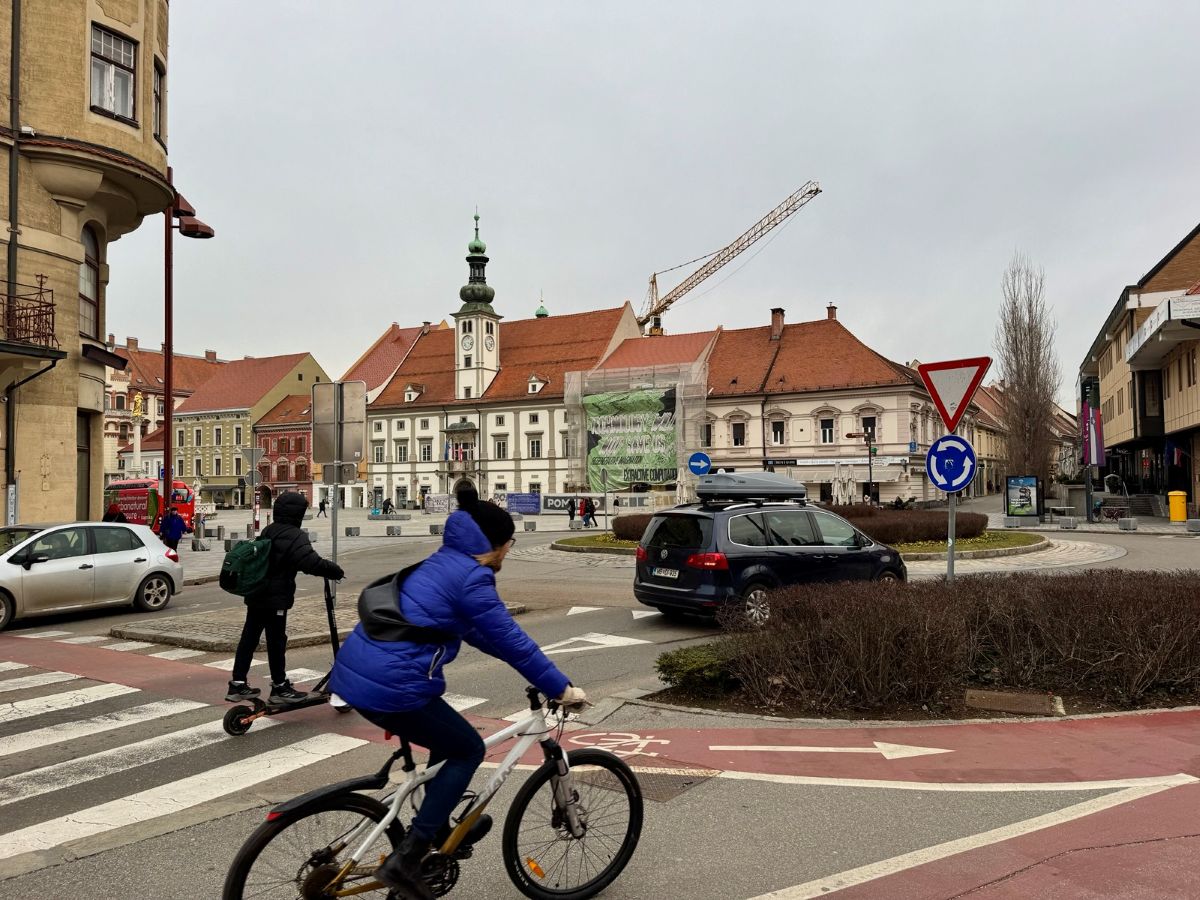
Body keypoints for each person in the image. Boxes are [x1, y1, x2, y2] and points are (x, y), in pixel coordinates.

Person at [330, 487, 587, 897]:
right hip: (393, 687)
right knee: (467, 749)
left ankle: (438, 825)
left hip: (355, 676)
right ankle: (408, 858)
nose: (508, 552)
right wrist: (561, 688)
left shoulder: (442, 564)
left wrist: (528, 668)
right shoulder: (473, 577)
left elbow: (477, 632)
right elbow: (512, 639)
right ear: (495, 545)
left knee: (445, 741)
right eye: (508, 544)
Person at [226, 492, 344, 705]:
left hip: (256, 593)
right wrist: (334, 570)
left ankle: (237, 682)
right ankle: (280, 687)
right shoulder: (295, 535)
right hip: (275, 598)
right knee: (276, 640)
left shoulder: (269, 529)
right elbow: (309, 563)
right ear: (297, 513)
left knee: (249, 637)